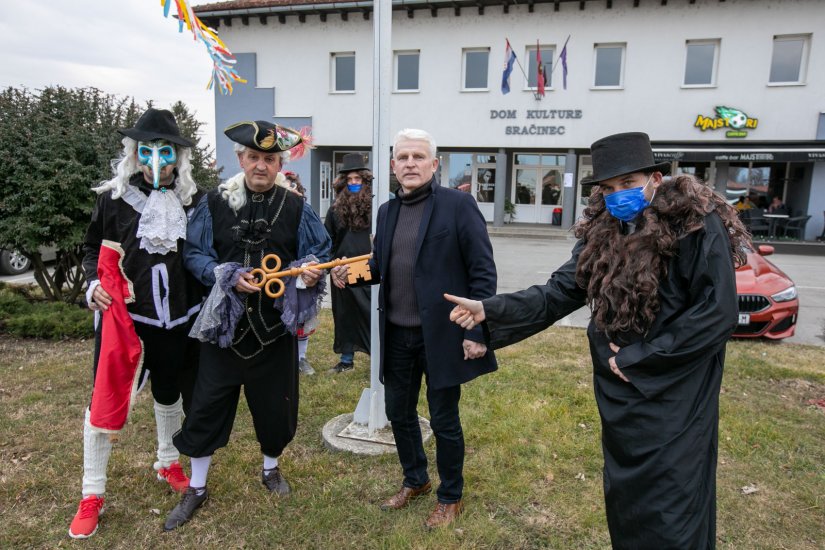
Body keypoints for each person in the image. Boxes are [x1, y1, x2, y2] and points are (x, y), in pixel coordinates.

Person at [445, 132, 750, 548]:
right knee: (628, 499)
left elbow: (716, 312)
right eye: (608, 188)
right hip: (619, 392)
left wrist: (641, 358)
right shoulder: (603, 233)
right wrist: (490, 310)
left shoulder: (695, 225)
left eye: (628, 183)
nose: (618, 194)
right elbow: (557, 293)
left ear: (655, 179)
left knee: (673, 501)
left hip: (677, 387)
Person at [165, 120, 331, 531]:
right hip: (222, 330)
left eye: (270, 159)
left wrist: (308, 271)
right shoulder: (215, 202)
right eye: (254, 157)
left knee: (276, 407)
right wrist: (222, 273)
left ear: (280, 163)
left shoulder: (296, 206)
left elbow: (319, 251)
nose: (261, 166)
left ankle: (270, 469)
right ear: (240, 159)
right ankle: (197, 488)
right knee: (205, 408)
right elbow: (194, 255)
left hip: (274, 330)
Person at [331, 129, 497, 529]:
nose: (410, 163)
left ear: (434, 164)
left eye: (418, 157)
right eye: (402, 157)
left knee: (443, 419)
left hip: (440, 335)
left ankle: (450, 495)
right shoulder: (387, 212)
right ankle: (416, 480)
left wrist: (475, 332)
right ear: (392, 167)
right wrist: (348, 273)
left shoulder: (458, 206)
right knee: (398, 413)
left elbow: (483, 271)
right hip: (397, 334)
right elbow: (380, 266)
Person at [71, 108, 203, 539]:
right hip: (126, 317)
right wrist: (92, 284)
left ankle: (167, 461)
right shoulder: (113, 198)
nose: (155, 158)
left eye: (164, 150)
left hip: (178, 319)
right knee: (105, 399)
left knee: (169, 391)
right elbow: (91, 248)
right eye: (146, 149)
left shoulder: (194, 199)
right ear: (134, 153)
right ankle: (92, 492)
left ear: (178, 156)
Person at [324, 153, 373, 373]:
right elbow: (328, 243)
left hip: (368, 268)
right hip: (341, 270)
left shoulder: (375, 207)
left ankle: (378, 358)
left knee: (370, 313)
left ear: (364, 180)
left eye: (357, 179)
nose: (353, 183)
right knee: (345, 315)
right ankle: (346, 360)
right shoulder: (335, 210)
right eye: (349, 179)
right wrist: (333, 268)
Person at [281, 170, 317, 375]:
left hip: (301, 272)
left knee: (302, 317)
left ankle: (301, 358)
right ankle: (285, 359)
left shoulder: (306, 210)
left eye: (292, 184)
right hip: (280, 272)